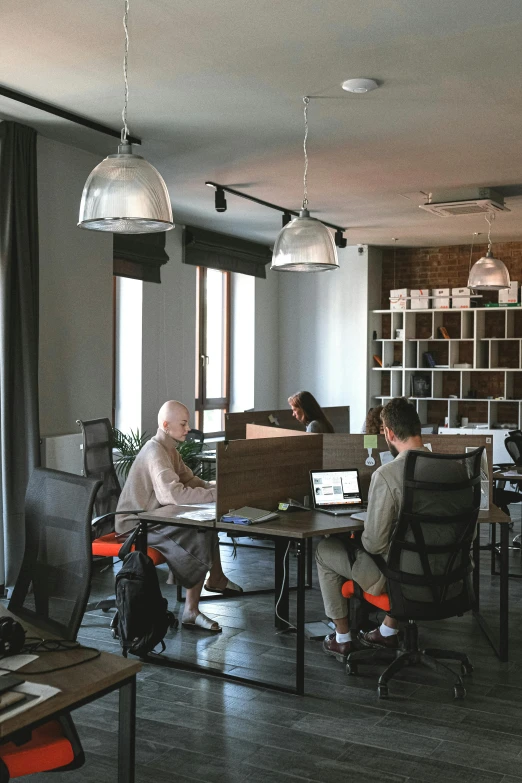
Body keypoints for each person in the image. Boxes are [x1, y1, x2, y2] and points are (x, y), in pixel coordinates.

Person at [316, 397, 429, 661]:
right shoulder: (454, 469)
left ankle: (342, 639)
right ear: (418, 427)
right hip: (445, 576)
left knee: (326, 550)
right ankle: (388, 631)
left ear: (388, 433)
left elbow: (375, 544)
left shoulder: (387, 474)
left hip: (397, 579)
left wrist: (359, 536)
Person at [116, 400, 241, 633]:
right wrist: (215, 494)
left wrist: (217, 489)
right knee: (198, 532)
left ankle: (216, 579)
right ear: (165, 425)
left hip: (155, 518)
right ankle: (191, 612)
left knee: (205, 525)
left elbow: (190, 481)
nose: (188, 429)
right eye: (183, 424)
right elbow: (172, 495)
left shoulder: (169, 449)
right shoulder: (155, 451)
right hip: (136, 524)